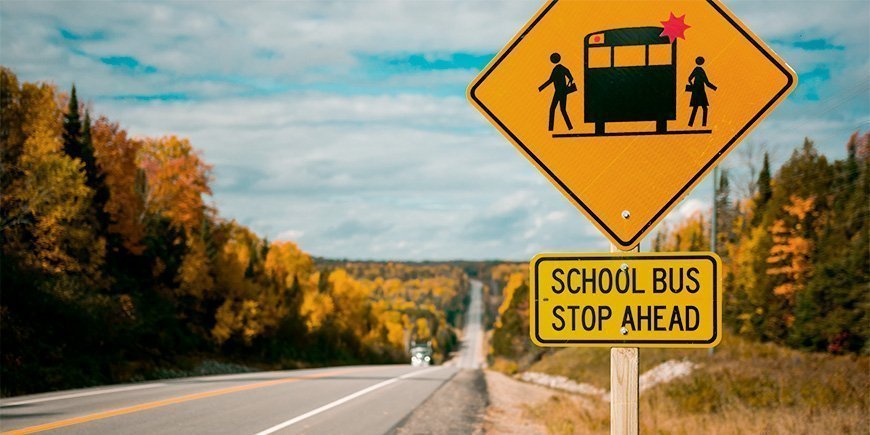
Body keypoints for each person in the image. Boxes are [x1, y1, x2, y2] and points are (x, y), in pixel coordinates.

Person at [538, 53, 574, 131]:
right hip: (563, 91)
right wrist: (570, 79)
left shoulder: (556, 69)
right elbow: (569, 74)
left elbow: (550, 80)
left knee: (552, 109)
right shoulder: (561, 68)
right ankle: (570, 127)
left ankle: (551, 128)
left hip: (558, 92)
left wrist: (541, 88)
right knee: (562, 109)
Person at [687, 56, 717, 127]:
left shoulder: (696, 69)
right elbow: (707, 83)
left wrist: (692, 85)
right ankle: (703, 124)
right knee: (704, 108)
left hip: (696, 91)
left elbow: (689, 78)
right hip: (700, 92)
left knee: (696, 108)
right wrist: (714, 88)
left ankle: (691, 124)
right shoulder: (701, 70)